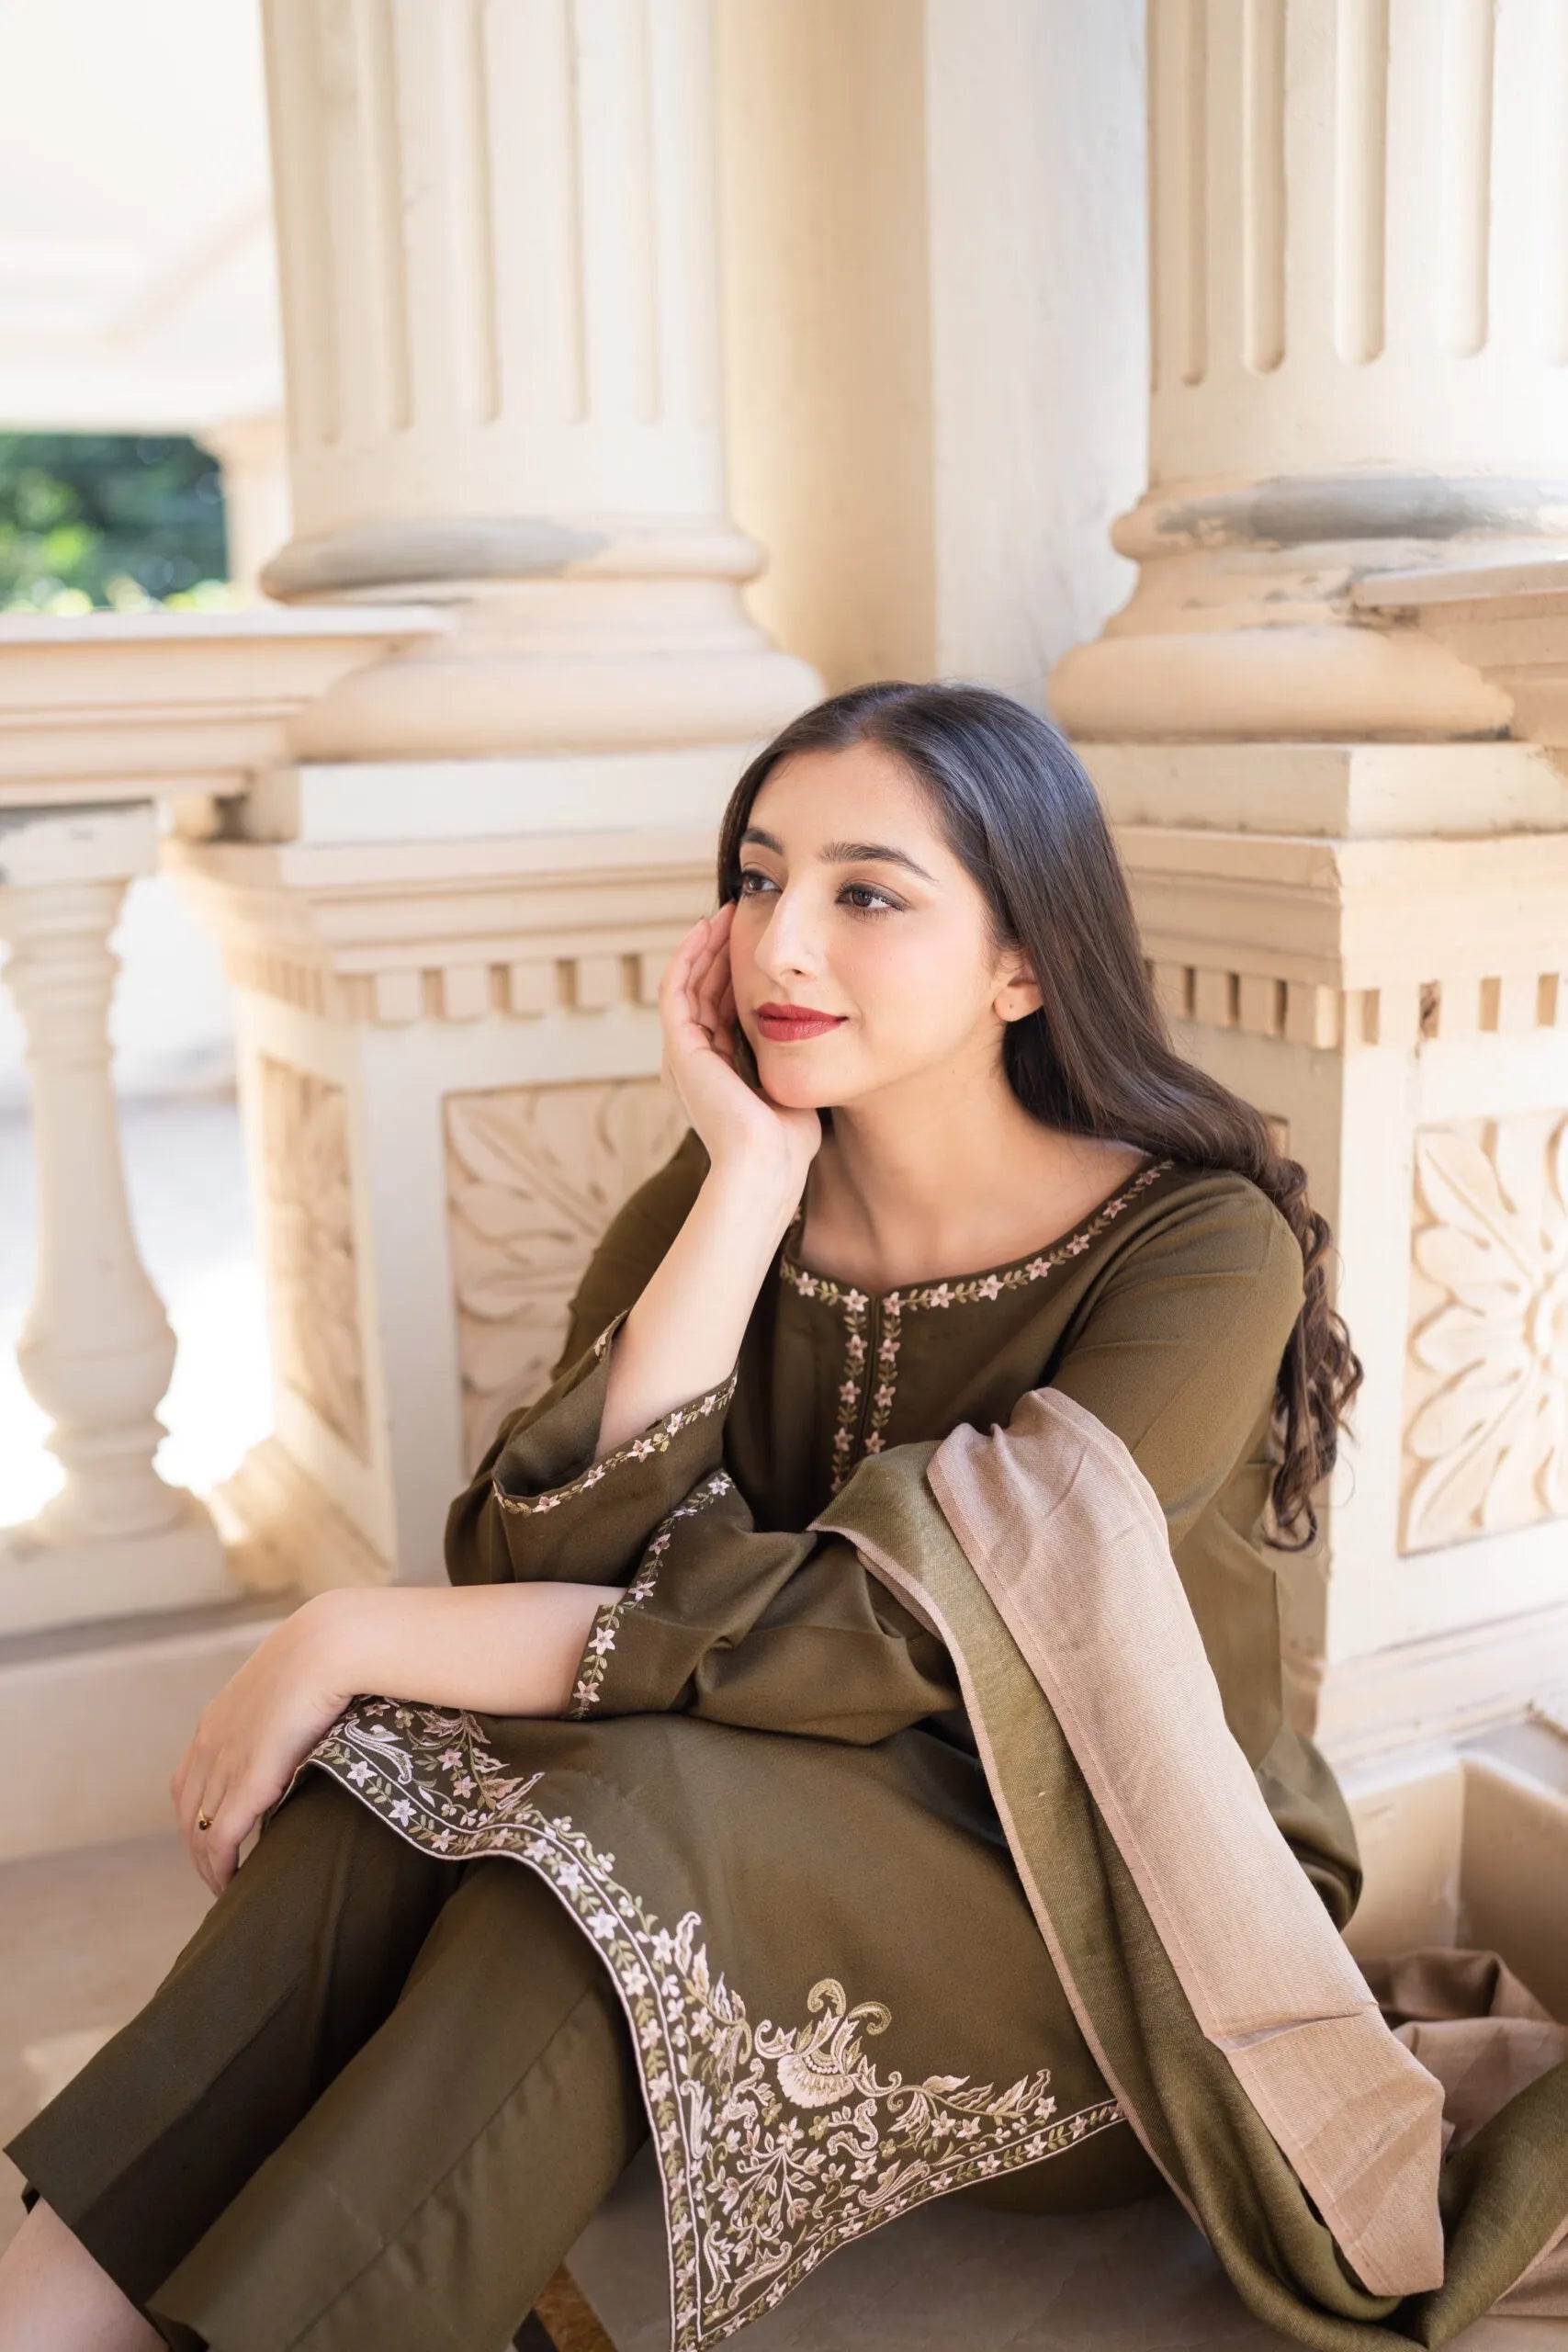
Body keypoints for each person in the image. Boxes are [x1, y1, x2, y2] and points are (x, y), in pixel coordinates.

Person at [0, 681, 1366, 2352]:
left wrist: (346, 1626)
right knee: (404, 1777)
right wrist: (749, 1183)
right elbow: (545, 1559)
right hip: (764, 1805)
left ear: (1024, 963)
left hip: (1109, 1918)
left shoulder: (1201, 1252)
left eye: (867, 895)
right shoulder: (733, 1185)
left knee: (609, 1832)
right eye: (758, 877)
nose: (781, 944)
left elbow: (905, 1636)